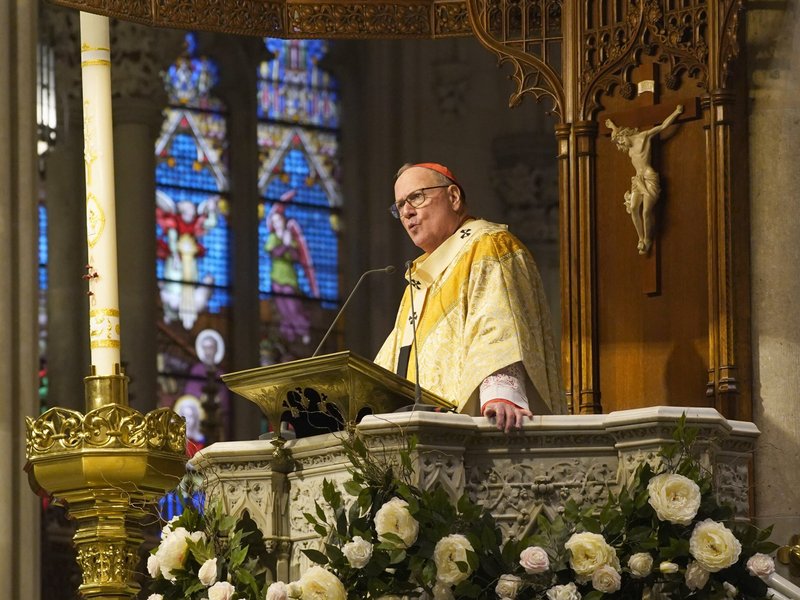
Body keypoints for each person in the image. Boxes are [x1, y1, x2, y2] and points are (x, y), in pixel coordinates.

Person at [375, 162, 565, 432]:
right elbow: (394, 358)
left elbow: (497, 323)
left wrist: (501, 394)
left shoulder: (488, 246)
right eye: (400, 205)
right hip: (418, 431)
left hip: (471, 429)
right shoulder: (419, 279)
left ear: (453, 197)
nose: (407, 212)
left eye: (416, 197)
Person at [605, 104, 683, 254]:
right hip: (637, 180)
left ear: (625, 134)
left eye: (621, 141)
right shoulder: (626, 146)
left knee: (646, 211)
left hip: (649, 177)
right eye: (619, 143)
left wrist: (676, 112)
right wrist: (612, 126)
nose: (622, 145)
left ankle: (647, 239)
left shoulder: (644, 137)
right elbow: (616, 135)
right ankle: (640, 238)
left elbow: (662, 126)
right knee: (634, 208)